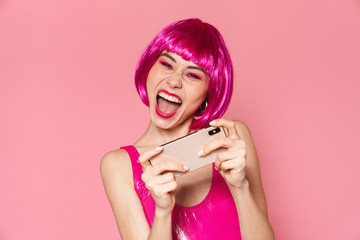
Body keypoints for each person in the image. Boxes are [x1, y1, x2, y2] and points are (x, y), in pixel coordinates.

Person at [100, 18, 275, 240]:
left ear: (208, 93)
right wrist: (163, 212)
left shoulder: (232, 139)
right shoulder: (119, 165)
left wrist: (240, 187)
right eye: (166, 64)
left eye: (192, 75)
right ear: (148, 70)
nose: (174, 81)